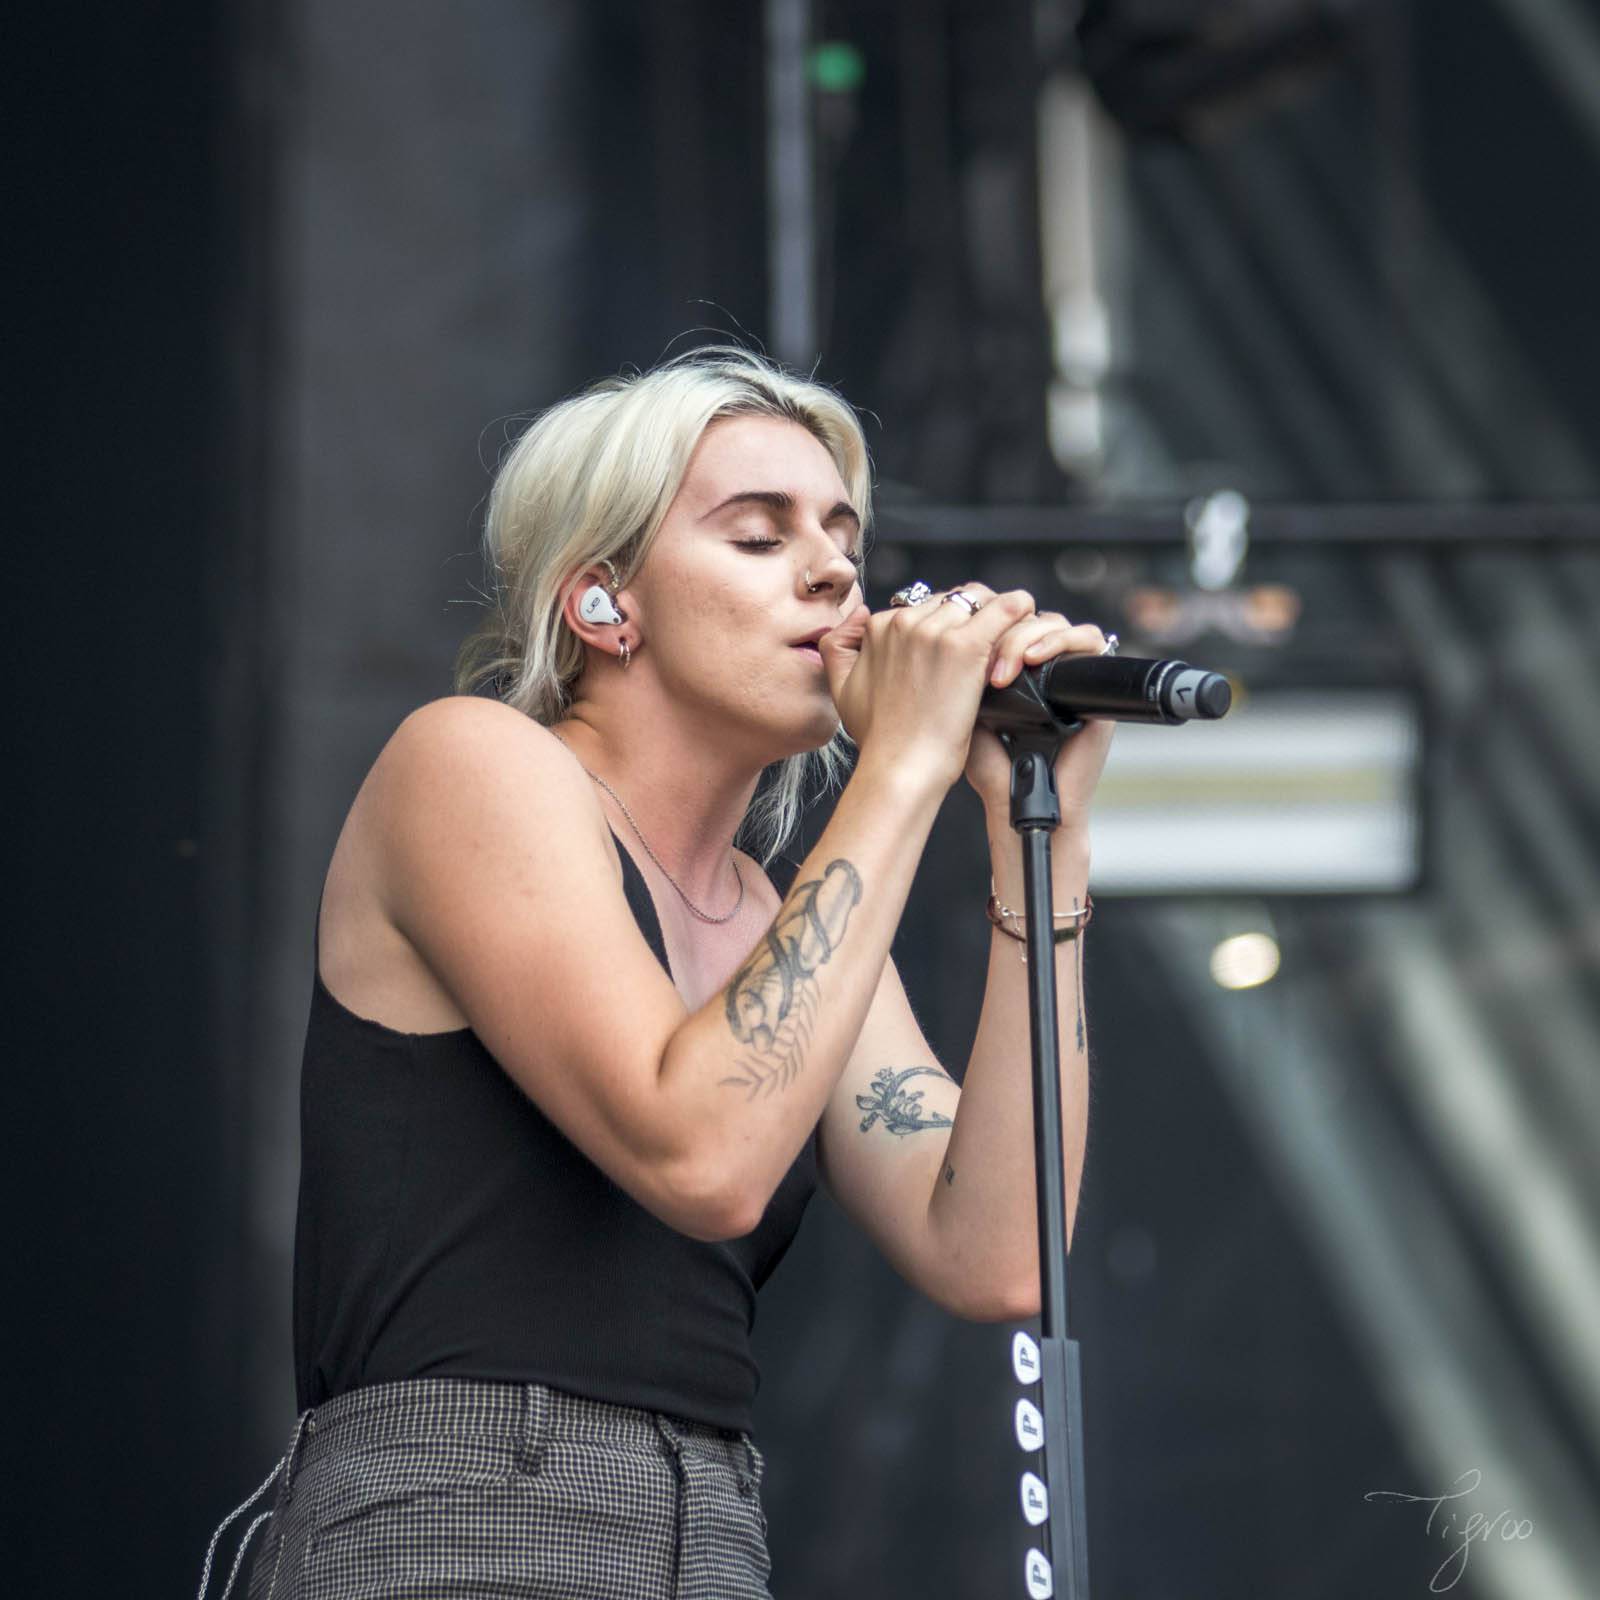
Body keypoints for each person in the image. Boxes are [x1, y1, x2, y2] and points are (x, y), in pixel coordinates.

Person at [198, 346, 1113, 1600]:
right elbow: (702, 1152)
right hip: (461, 1518)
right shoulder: (469, 766)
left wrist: (1039, 845)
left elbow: (998, 1250)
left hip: (711, 1531)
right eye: (758, 534)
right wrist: (900, 768)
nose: (837, 569)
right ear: (601, 603)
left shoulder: (783, 917)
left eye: (844, 531)